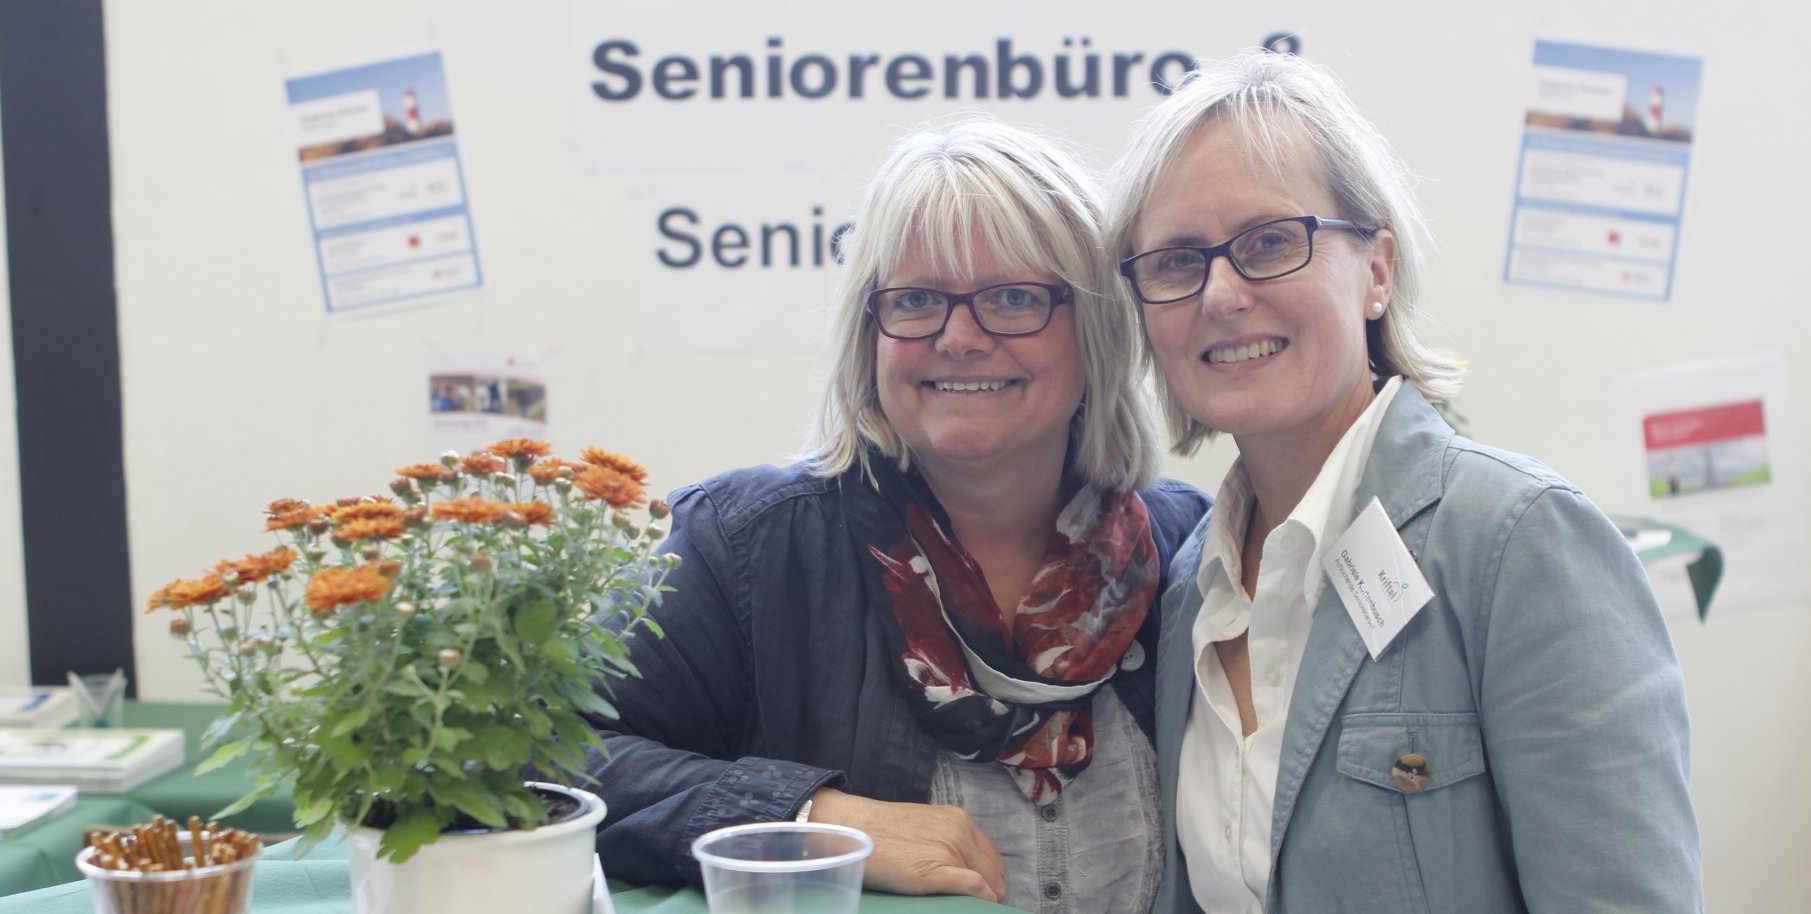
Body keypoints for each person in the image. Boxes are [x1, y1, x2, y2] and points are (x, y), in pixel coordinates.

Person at [1105, 50, 1702, 913]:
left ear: (1376, 270)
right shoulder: (1188, 585)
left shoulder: (1518, 541)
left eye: (1271, 242)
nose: (1222, 293)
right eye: (1175, 262)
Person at [589, 116, 1211, 912]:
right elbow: (542, 753)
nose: (958, 337)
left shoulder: (1191, 549)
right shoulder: (750, 548)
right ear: (869, 334)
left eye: (1015, 297)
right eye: (917, 299)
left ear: (1096, 332)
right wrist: (809, 820)